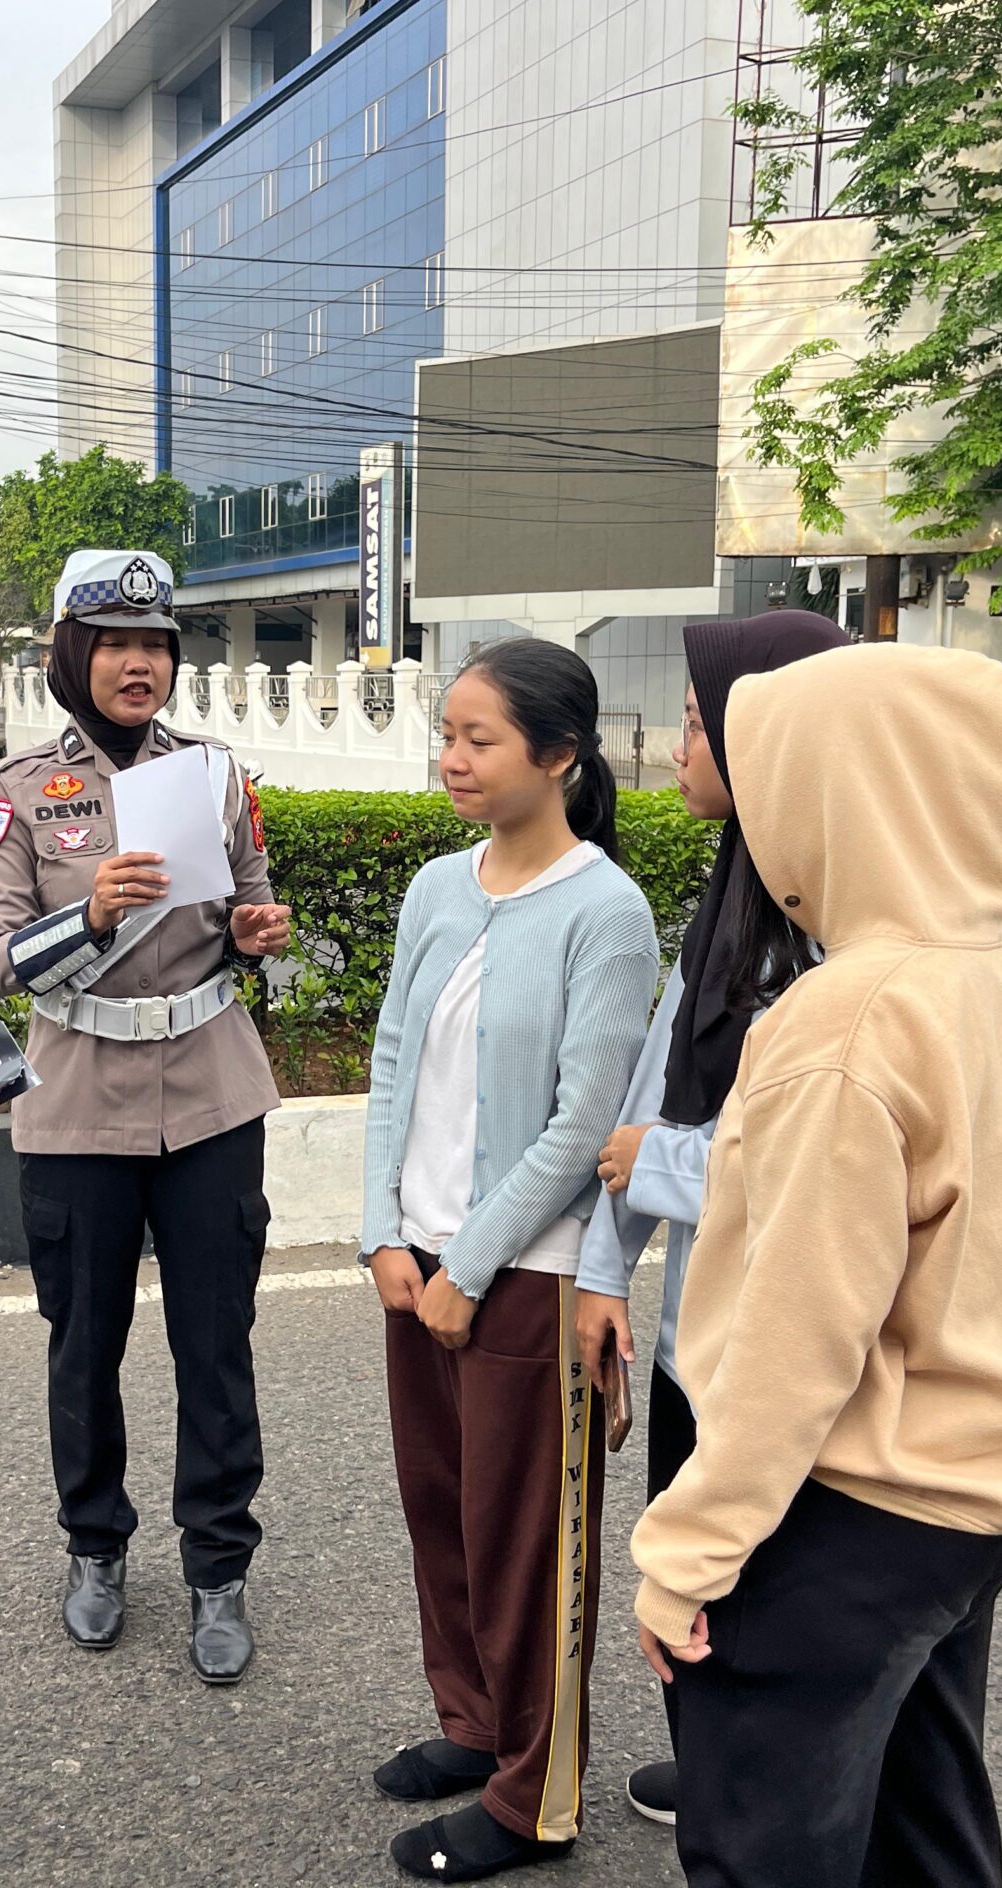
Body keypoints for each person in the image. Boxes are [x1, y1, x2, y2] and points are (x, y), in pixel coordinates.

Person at [629, 644, 1002, 1888]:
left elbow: (797, 1334)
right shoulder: (989, 982)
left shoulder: (843, 1019)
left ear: (835, 793)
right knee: (923, 1827)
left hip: (848, 1511)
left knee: (764, 1853)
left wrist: (686, 1554)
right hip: (977, 1494)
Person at [358, 639, 662, 1883]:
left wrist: (467, 1265)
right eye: (448, 733)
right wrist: (383, 1228)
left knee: (528, 1539)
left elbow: (583, 1126)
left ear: (559, 756)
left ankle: (535, 1797)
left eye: (479, 739)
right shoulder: (437, 886)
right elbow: (388, 1063)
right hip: (418, 1261)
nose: (452, 758)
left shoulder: (607, 911)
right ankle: (474, 1727)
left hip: (521, 1276)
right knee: (443, 1516)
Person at [0, 548, 292, 1683]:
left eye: (155, 643)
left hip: (210, 1091)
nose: (139, 663)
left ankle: (218, 1567)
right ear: (74, 654)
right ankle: (95, 1547)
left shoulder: (211, 773)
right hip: (74, 1103)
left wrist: (260, 933)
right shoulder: (18, 791)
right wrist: (92, 915)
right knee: (84, 1347)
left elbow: (249, 901)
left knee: (216, 1346)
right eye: (115, 643)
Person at [569, 609, 851, 1830]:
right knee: (688, 1561)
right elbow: (644, 1108)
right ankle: (716, 1755)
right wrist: (600, 1280)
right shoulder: (731, 903)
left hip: (783, 1345)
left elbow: (811, 1165)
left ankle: (757, 1789)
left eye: (701, 723)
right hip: (698, 1333)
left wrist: (661, 1167)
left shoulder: (841, 931)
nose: (680, 746)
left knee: (767, 1573)